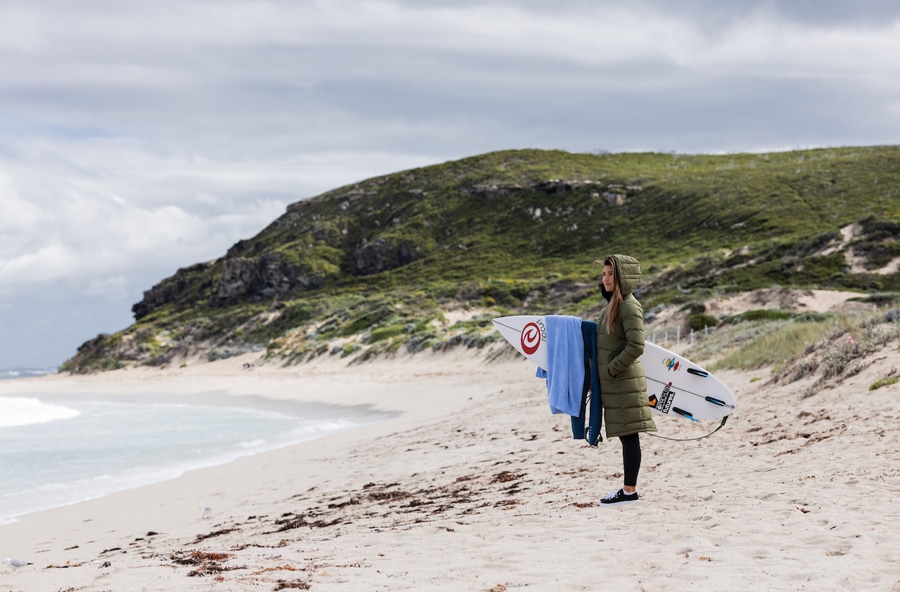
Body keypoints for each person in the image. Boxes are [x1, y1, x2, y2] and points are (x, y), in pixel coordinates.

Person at [595, 254, 656, 506]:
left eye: (611, 274)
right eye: (604, 274)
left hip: (623, 381)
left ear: (623, 277)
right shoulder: (613, 305)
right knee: (626, 434)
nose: (606, 278)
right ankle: (628, 489)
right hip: (617, 382)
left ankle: (629, 491)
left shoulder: (629, 305)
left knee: (629, 435)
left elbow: (637, 345)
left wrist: (611, 369)